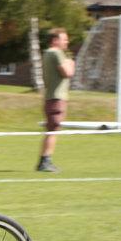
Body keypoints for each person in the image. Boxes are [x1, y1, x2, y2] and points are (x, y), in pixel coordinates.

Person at [38, 27, 74, 172]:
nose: (67, 42)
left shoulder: (47, 53)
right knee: (53, 130)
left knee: (51, 129)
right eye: (64, 39)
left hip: (50, 97)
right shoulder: (56, 53)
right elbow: (68, 73)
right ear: (55, 40)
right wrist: (71, 62)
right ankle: (45, 161)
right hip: (57, 97)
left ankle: (44, 160)